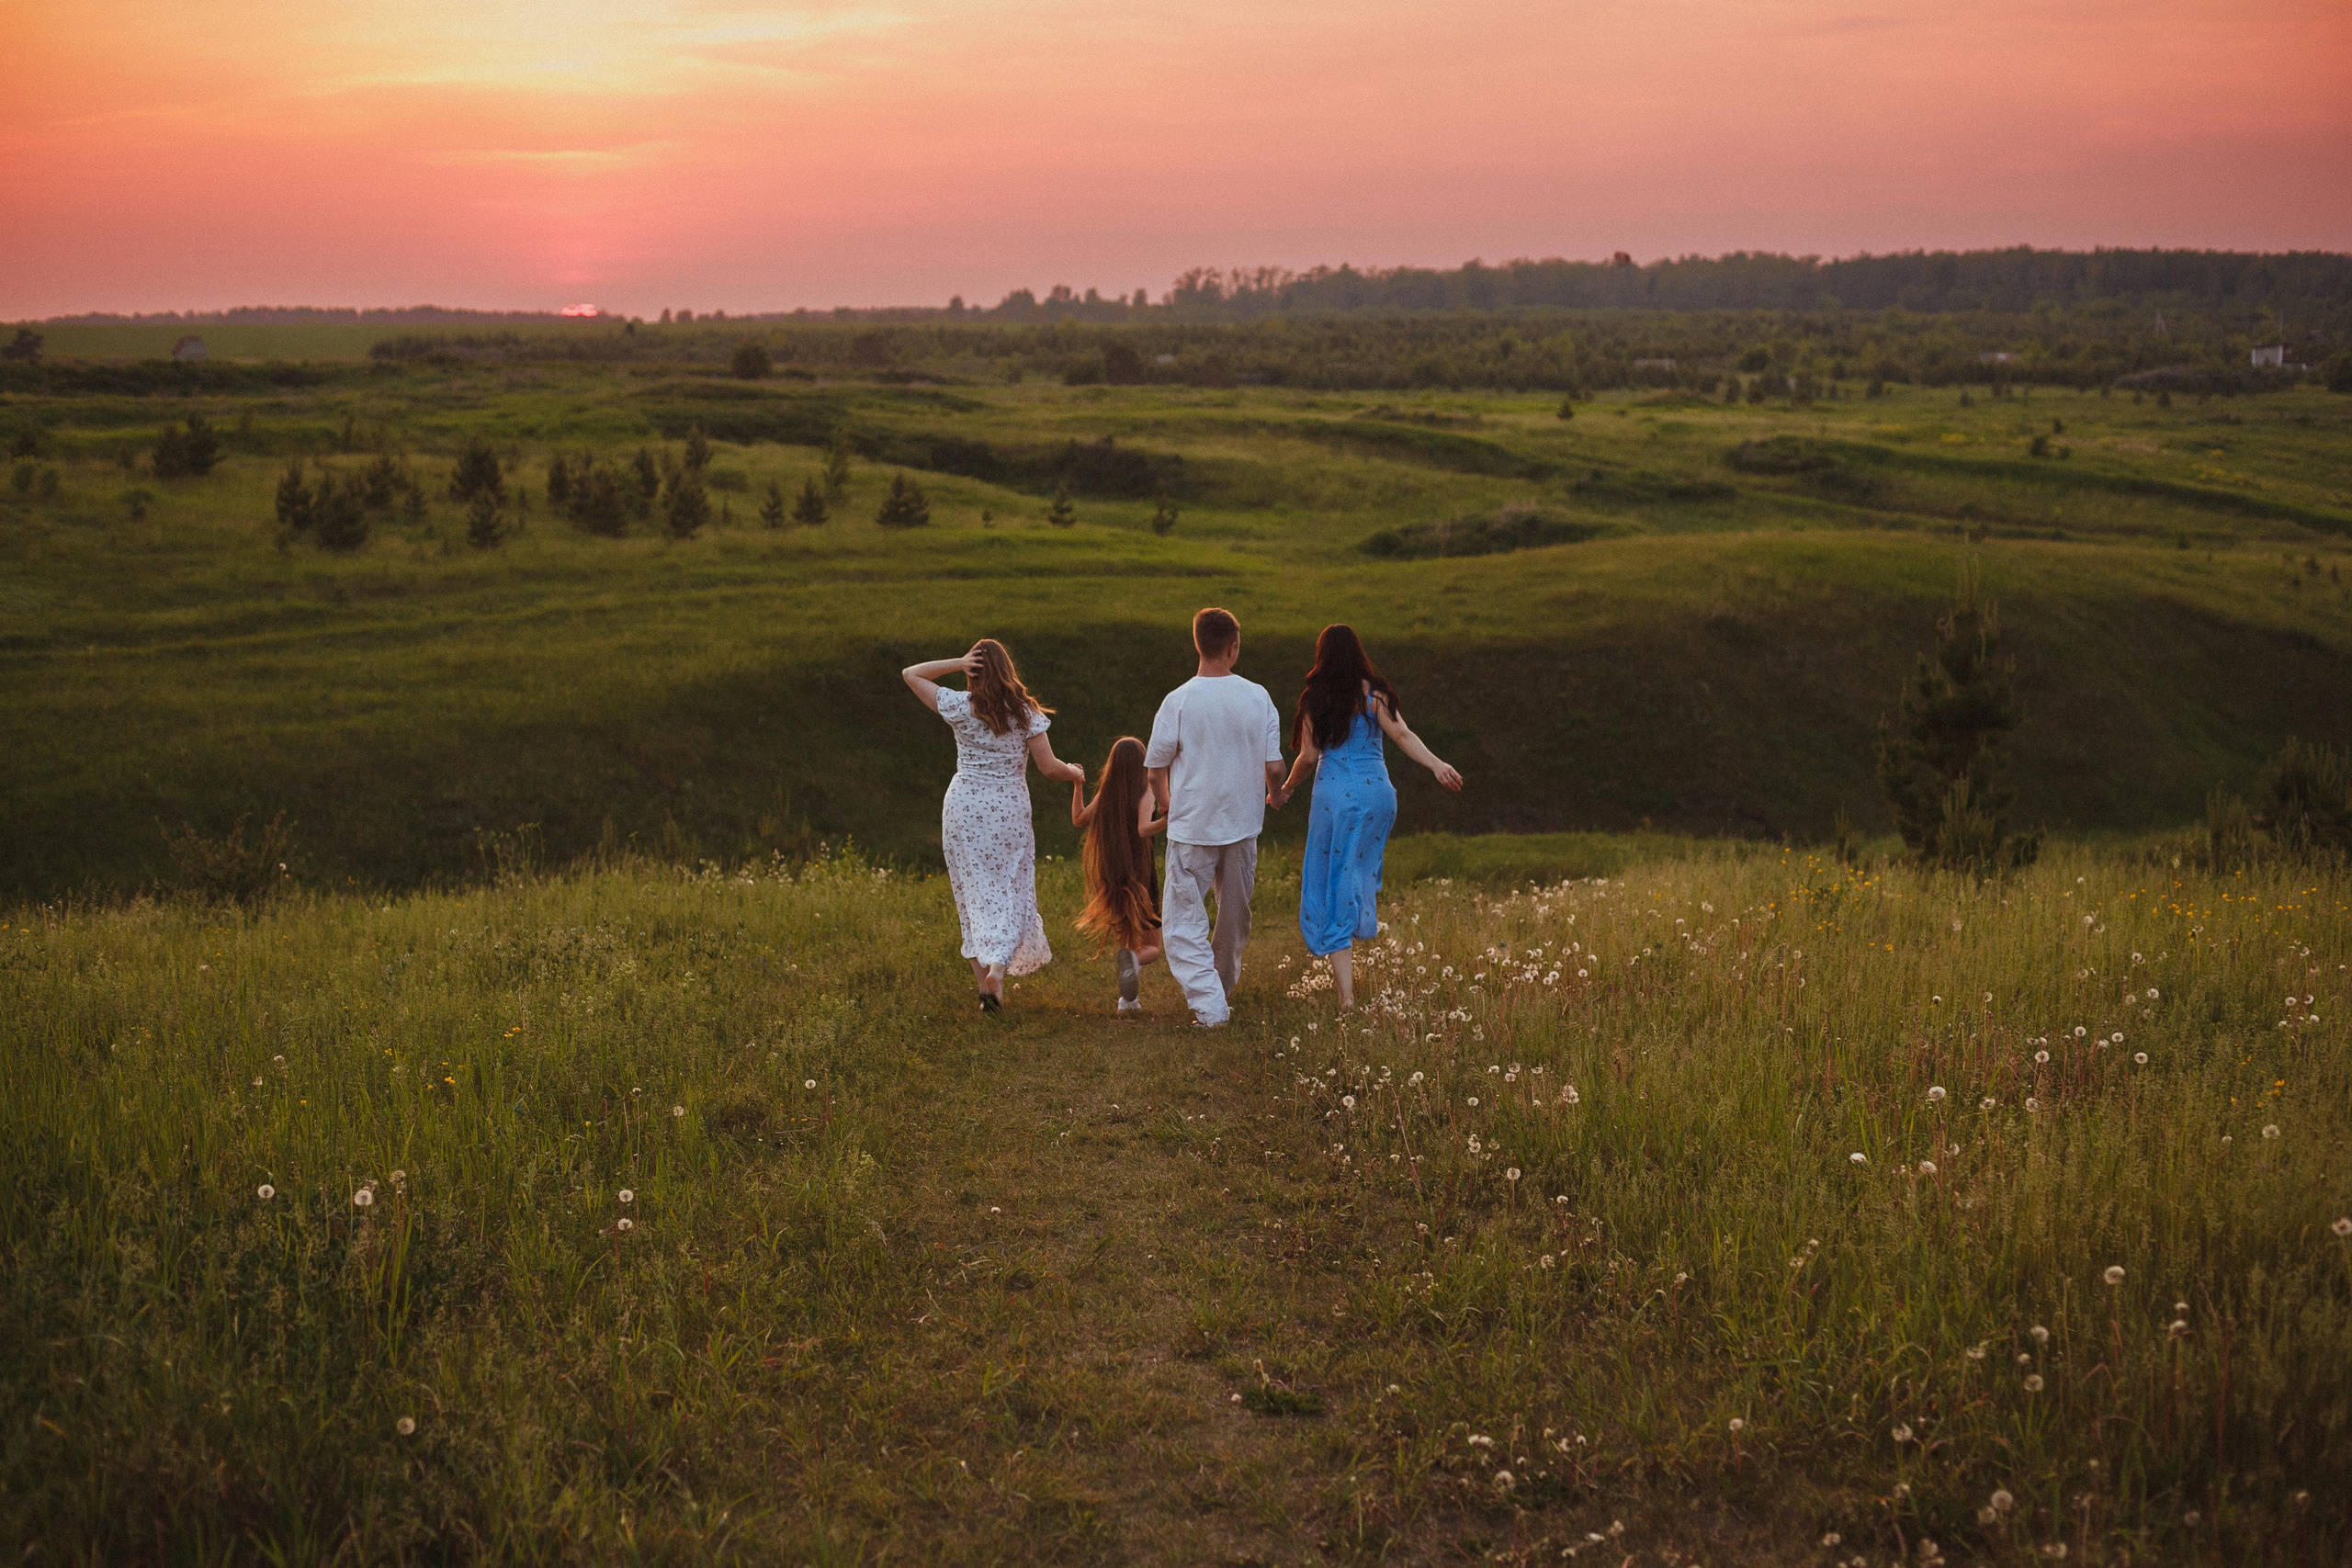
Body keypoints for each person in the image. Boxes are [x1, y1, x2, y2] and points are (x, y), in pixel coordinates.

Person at [1272, 624, 1463, 1010]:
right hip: (1379, 796)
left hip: (1335, 799)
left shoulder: (1315, 699)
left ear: (1321, 655)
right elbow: (1403, 735)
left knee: (1333, 881)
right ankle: (1354, 945)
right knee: (1354, 874)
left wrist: (1287, 788)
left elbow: (1309, 757)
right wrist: (1436, 764)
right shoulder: (1375, 695)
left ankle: (1346, 997)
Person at [902, 639, 1084, 1012]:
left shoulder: (959, 707)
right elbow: (1049, 767)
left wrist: (958, 662)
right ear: (1008, 669)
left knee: (970, 893)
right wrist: (1075, 774)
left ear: (974, 671)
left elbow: (911, 674)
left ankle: (987, 995)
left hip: (964, 807)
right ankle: (998, 968)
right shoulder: (1026, 714)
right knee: (1013, 889)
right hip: (1008, 810)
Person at [1144, 607, 1285, 1028]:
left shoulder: (1179, 699)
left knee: (1184, 918)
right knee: (1234, 915)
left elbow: (1155, 769)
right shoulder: (1258, 696)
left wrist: (1165, 801)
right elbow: (1275, 767)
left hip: (1192, 826)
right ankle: (1218, 993)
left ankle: (1210, 1003)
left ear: (1197, 644)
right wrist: (1274, 795)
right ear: (1233, 647)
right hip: (1242, 824)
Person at [1070, 736, 1168, 1013]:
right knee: (1152, 947)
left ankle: (1128, 1001)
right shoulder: (1146, 790)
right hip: (1142, 874)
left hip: (1113, 872)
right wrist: (1168, 820)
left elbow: (1079, 820)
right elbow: (1143, 829)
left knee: (1127, 943)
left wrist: (1078, 784)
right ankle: (1135, 964)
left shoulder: (1107, 792)